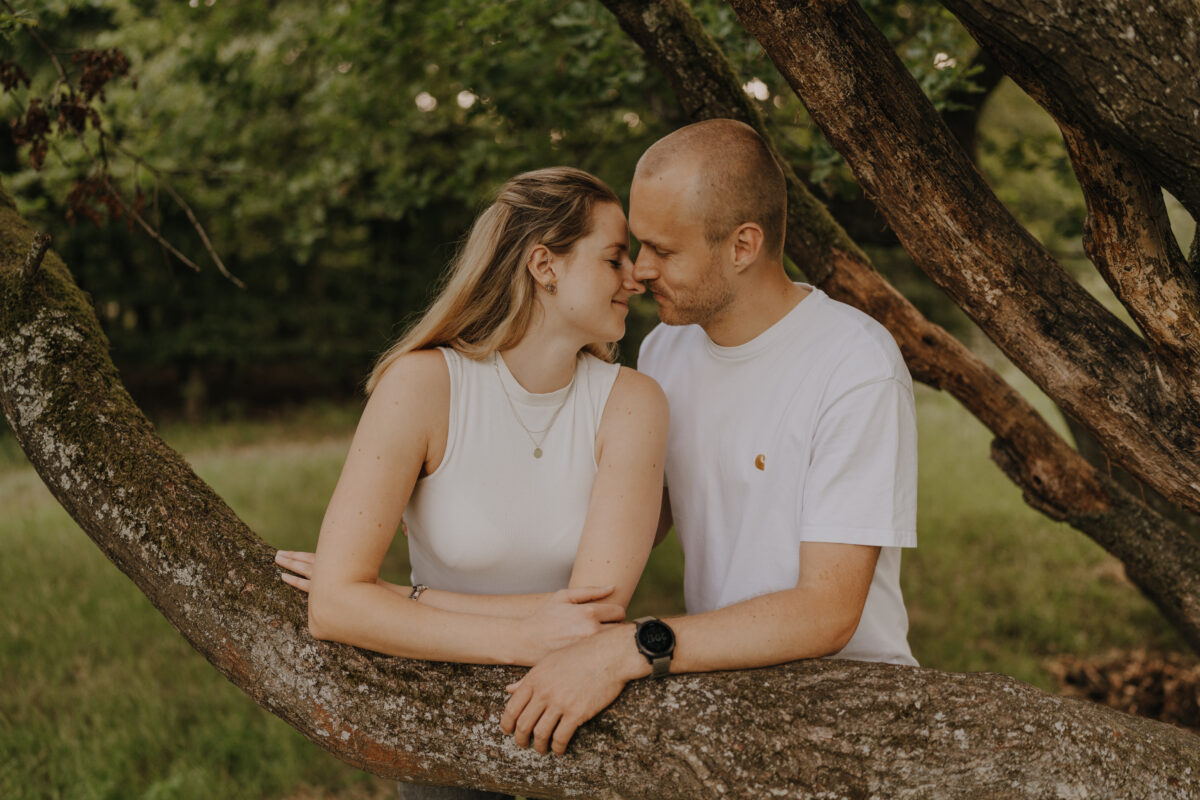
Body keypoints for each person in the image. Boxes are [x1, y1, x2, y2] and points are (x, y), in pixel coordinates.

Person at [500, 119, 918, 756]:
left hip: (854, 704)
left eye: (662, 251)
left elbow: (828, 610)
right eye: (638, 245)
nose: (637, 271)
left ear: (743, 245)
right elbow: (642, 519)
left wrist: (631, 649)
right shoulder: (666, 347)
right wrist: (426, 586)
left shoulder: (854, 364)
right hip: (723, 691)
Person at [275, 167, 669, 800]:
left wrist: (407, 599)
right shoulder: (423, 387)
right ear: (546, 265)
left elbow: (592, 617)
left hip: (577, 724)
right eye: (615, 257)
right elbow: (332, 607)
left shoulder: (633, 404)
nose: (636, 278)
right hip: (445, 727)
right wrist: (521, 633)